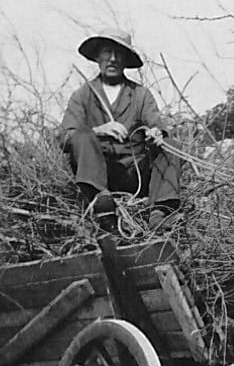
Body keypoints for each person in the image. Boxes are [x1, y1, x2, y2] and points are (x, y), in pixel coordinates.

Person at [58, 29, 182, 230]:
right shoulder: (82, 96)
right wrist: (98, 130)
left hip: (136, 175)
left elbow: (157, 126)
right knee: (82, 134)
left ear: (126, 60)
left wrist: (156, 134)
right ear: (98, 56)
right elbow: (64, 137)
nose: (113, 59)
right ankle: (100, 203)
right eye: (107, 52)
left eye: (119, 54)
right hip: (100, 176)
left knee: (169, 144)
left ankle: (161, 212)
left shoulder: (140, 95)